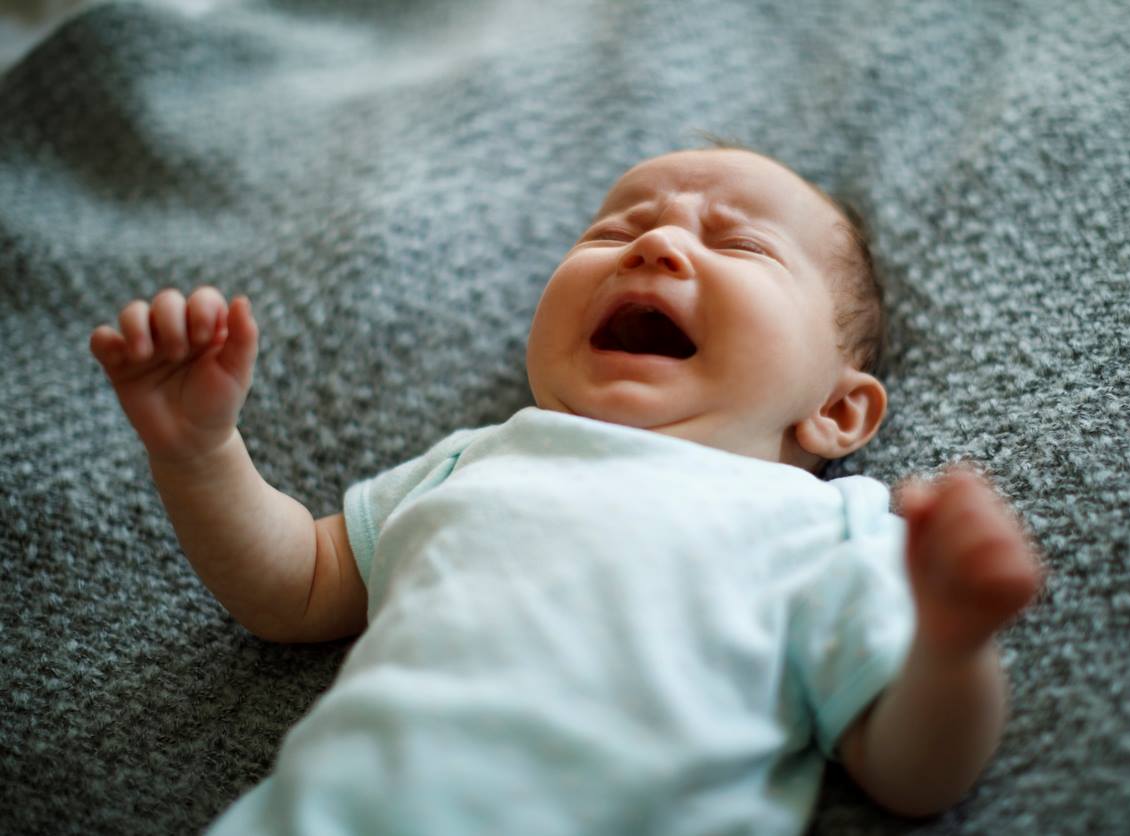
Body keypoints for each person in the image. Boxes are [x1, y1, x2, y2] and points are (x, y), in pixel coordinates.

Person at [89, 147, 1043, 833]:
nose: (658, 244)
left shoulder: (825, 528)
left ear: (836, 412)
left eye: (740, 247)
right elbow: (291, 587)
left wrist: (952, 644)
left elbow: (912, 774)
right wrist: (201, 451)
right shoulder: (484, 457)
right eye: (616, 229)